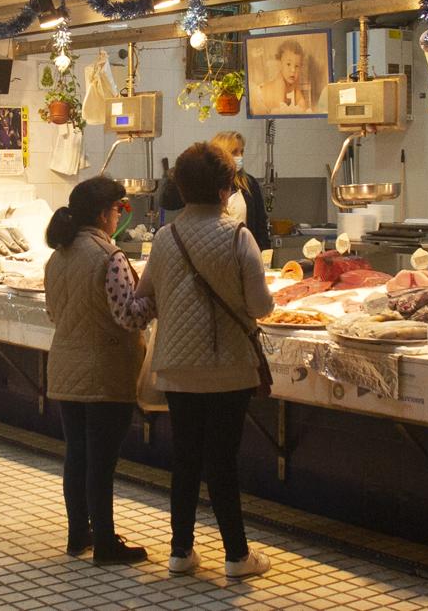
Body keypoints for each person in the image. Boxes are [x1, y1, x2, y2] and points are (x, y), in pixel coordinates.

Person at [137, 143, 275, 580]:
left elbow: (146, 297)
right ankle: (236, 556)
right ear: (225, 188)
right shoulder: (238, 236)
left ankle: (181, 552)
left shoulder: (164, 238)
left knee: (185, 459)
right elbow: (260, 306)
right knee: (222, 462)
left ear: (180, 187)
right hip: (228, 368)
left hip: (177, 366)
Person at [44, 177, 154, 566]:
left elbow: (54, 313)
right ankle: (106, 543)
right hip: (105, 370)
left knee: (77, 455)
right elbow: (129, 316)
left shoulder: (58, 256)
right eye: (118, 210)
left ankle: (78, 535)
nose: (118, 217)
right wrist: (154, 300)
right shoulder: (110, 258)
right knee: (102, 461)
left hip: (65, 367)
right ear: (105, 214)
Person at [158, 132, 271, 251]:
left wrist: (264, 256)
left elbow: (261, 226)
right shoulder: (204, 183)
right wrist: (174, 175)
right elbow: (167, 202)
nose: (240, 157)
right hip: (208, 248)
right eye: (234, 152)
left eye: (241, 152)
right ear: (220, 154)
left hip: (242, 251)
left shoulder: (249, 184)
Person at [257, 39, 312, 114]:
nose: (293, 70)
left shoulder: (293, 80)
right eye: (288, 64)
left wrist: (306, 110)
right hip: (260, 98)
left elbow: (301, 101)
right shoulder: (280, 82)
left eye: (297, 66)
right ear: (280, 64)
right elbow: (279, 110)